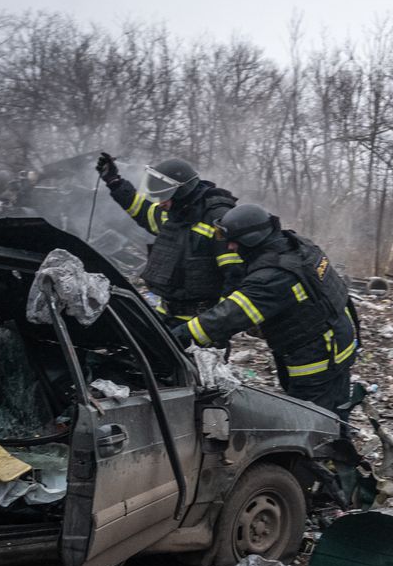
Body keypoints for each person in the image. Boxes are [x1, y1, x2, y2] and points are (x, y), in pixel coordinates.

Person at [170, 203, 359, 418]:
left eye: (234, 241)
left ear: (252, 240)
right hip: (337, 342)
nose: (230, 247)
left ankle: (330, 450)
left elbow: (226, 318)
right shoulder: (297, 245)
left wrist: (177, 337)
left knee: (314, 422)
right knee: (334, 412)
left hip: (317, 360)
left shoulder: (273, 277)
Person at [95, 153, 244, 327]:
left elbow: (235, 276)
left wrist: (218, 326)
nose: (159, 203)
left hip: (199, 323)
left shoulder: (217, 218)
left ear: (181, 191)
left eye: (164, 195)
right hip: (165, 316)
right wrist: (114, 182)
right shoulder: (175, 214)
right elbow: (141, 210)